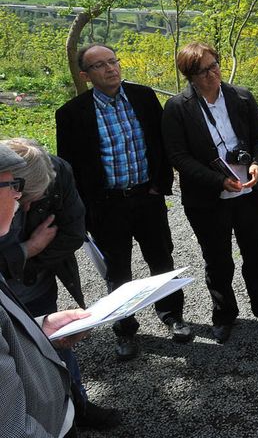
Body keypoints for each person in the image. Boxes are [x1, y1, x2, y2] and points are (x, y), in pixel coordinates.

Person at [55, 43, 190, 361]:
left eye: (113, 61)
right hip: (107, 205)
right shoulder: (72, 114)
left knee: (162, 260)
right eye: (100, 65)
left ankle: (172, 315)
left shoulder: (143, 97)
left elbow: (161, 143)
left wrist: (160, 185)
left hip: (147, 197)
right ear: (86, 76)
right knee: (118, 272)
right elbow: (69, 167)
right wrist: (85, 212)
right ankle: (125, 330)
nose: (110, 69)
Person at [161, 42, 258, 344]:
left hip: (249, 192)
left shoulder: (241, 97)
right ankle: (224, 315)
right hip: (207, 198)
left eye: (215, 65)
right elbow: (178, 156)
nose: (213, 74)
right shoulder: (177, 108)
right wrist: (216, 180)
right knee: (217, 259)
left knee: (255, 253)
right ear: (189, 75)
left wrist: (257, 164)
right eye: (204, 70)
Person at [0, 138, 120, 430]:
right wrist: (28, 249)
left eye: (30, 200)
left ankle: (75, 406)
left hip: (37, 291)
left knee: (55, 350)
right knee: (15, 375)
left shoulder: (55, 171)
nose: (22, 206)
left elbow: (72, 232)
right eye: (18, 194)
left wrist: (28, 267)